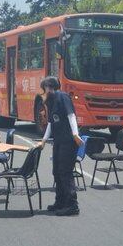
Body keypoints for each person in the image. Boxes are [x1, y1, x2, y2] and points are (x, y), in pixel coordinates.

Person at [38, 77, 85, 216]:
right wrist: (44, 140)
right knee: (56, 172)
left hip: (69, 142)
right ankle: (60, 201)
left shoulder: (62, 97)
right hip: (58, 141)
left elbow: (71, 116)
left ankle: (72, 205)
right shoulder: (51, 101)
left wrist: (75, 134)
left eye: (45, 88)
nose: (45, 91)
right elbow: (51, 123)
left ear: (49, 86)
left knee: (65, 172)